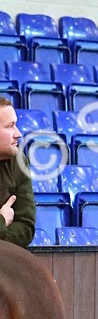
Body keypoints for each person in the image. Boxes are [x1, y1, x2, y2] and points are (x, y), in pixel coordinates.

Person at [0, 96, 35, 248]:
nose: (18, 133)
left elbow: (26, 227)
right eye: (10, 126)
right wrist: (2, 221)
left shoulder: (18, 160)